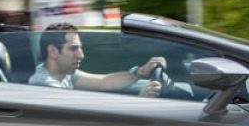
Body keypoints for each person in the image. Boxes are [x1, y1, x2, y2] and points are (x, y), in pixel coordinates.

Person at [28, 23, 166, 97]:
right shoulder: (46, 86)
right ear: (53, 51)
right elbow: (87, 121)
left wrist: (140, 72)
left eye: (80, 48)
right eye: (73, 48)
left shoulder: (63, 74)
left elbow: (104, 82)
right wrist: (141, 102)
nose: (81, 55)